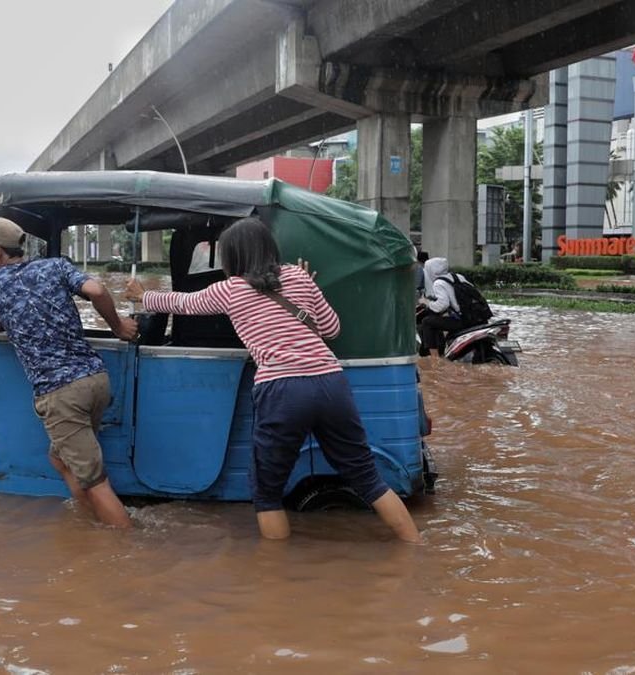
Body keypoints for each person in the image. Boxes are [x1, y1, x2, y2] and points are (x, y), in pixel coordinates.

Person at [124, 217, 420, 543]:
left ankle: (276, 579)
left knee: (266, 492)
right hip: (330, 382)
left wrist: (142, 296)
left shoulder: (230, 289)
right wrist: (308, 291)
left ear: (233, 257)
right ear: (269, 248)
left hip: (282, 389)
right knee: (366, 476)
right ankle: (415, 546)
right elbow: (332, 330)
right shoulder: (300, 277)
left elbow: (182, 303)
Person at [0, 217, 139, 528]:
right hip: (96, 381)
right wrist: (119, 326)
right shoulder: (55, 266)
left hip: (61, 394)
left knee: (96, 482)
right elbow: (96, 290)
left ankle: (125, 553)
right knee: (60, 460)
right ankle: (90, 524)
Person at [418, 257, 489, 357]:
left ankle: (434, 359)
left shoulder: (438, 283)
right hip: (477, 318)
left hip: (463, 321)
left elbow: (442, 305)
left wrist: (427, 303)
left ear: (431, 270)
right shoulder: (458, 277)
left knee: (427, 322)